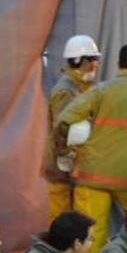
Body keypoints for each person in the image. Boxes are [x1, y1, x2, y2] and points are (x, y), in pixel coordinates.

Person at [54, 43, 127, 253]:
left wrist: (66, 152)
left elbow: (64, 120)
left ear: (119, 64)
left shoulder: (101, 90)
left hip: (91, 174)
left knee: (88, 236)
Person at [42, 35, 102, 223]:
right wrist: (65, 157)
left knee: (72, 220)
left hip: (72, 164)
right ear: (81, 61)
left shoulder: (80, 88)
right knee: (60, 219)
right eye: (93, 59)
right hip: (63, 167)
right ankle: (56, 251)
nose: (96, 64)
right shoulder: (66, 91)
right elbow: (62, 128)